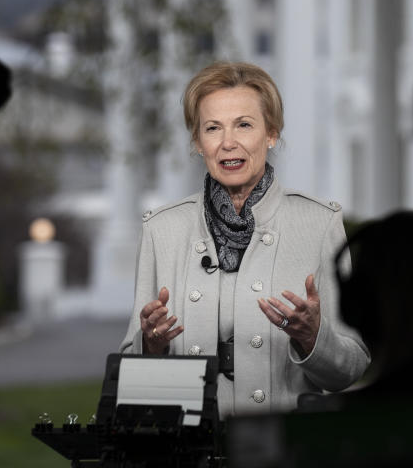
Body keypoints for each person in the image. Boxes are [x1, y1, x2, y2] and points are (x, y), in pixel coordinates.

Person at [119, 61, 370, 416]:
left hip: (283, 446)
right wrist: (151, 345)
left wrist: (313, 336)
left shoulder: (319, 223)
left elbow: (351, 369)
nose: (227, 143)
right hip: (190, 448)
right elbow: (131, 378)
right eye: (212, 128)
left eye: (244, 125)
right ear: (197, 142)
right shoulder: (163, 230)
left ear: (271, 134)